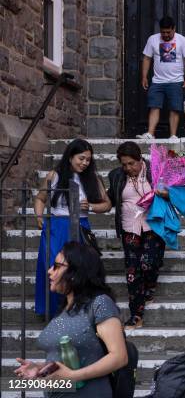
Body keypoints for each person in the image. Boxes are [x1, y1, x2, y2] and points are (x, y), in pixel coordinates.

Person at [15, 242, 128, 398]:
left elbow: (119, 357)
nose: (49, 271)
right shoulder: (65, 309)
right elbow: (71, 360)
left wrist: (74, 376)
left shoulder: (100, 303)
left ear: (76, 272)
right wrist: (41, 368)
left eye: (56, 266)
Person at [33, 138, 111, 317]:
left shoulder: (93, 178)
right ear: (70, 157)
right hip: (56, 227)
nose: (85, 163)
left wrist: (90, 206)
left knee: (80, 269)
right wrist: (39, 217)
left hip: (80, 225)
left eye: (88, 160)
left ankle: (79, 311)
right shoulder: (55, 175)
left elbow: (107, 205)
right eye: (81, 158)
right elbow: (40, 198)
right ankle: (53, 312)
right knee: (54, 267)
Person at [107, 141, 168, 330]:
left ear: (140, 159)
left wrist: (164, 193)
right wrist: (93, 205)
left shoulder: (155, 170)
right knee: (133, 272)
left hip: (153, 225)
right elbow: (109, 201)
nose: (128, 168)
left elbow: (172, 192)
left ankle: (149, 286)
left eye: (131, 163)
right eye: (124, 164)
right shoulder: (116, 176)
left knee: (148, 263)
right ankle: (136, 315)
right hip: (129, 227)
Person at [137, 16, 185, 140]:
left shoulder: (182, 40)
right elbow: (147, 58)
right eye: (163, 32)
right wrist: (144, 77)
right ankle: (150, 134)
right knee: (154, 106)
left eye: (168, 32)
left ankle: (173, 135)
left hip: (176, 81)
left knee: (175, 108)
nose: (166, 35)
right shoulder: (152, 39)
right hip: (157, 81)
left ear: (174, 29)